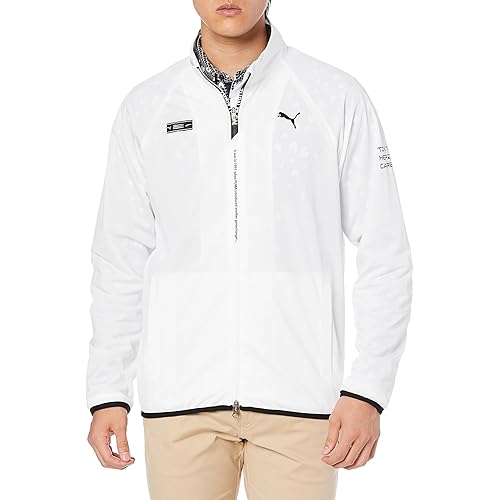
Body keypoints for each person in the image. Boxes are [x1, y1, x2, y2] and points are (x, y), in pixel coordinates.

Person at [85, 1, 413, 498]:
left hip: (301, 403)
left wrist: (368, 389)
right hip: (180, 402)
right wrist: (109, 389)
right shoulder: (147, 107)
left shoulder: (334, 96)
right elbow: (119, 257)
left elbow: (385, 249)